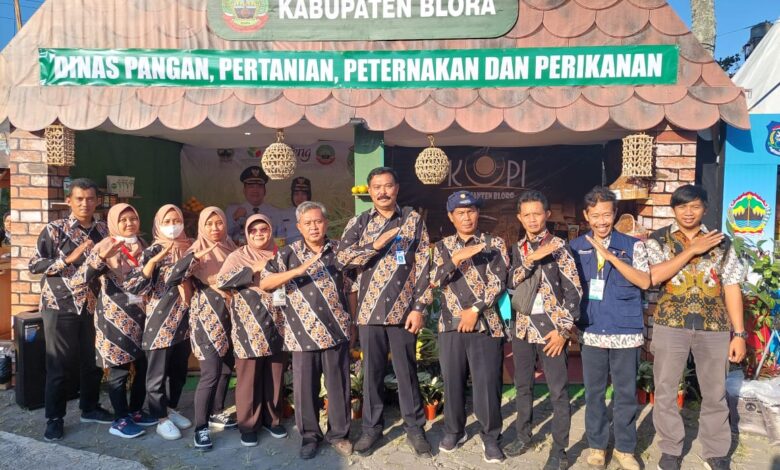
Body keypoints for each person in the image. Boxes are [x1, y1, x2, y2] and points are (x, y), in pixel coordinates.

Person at [645, 185, 747, 470]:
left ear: (705, 208)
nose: (688, 212)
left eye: (695, 206)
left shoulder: (722, 243)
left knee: (714, 392)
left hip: (714, 326)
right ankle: (670, 449)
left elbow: (732, 286)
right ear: (673, 209)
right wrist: (692, 250)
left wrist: (739, 334)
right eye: (682, 206)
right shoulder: (657, 240)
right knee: (665, 390)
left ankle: (715, 451)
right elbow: (654, 276)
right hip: (670, 323)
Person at [335, 167, 433, 457]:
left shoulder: (413, 220)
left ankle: (415, 428)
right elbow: (342, 259)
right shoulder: (359, 222)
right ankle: (371, 429)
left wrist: (419, 308)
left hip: (404, 312)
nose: (382, 192)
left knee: (407, 372)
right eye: (376, 187)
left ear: (397, 188)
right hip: (369, 312)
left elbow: (424, 265)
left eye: (388, 186)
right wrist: (375, 245)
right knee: (372, 374)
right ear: (369, 191)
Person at [261, 202, 354, 459]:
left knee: (339, 386)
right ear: (299, 227)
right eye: (308, 223)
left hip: (337, 331)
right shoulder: (287, 254)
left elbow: (352, 288)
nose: (314, 227)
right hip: (302, 333)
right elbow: (266, 283)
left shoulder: (339, 251)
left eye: (318, 221)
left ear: (326, 223)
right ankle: (310, 437)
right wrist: (297, 271)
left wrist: (353, 322)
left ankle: (339, 435)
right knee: (305, 390)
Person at [570, 187, 650, 470]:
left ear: (615, 213)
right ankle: (597, 446)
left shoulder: (633, 246)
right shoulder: (575, 247)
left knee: (625, 393)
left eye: (606, 214)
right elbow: (570, 289)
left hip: (625, 330)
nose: (601, 221)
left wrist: (612, 257)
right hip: (592, 328)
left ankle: (625, 449)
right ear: (586, 216)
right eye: (595, 215)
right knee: (593, 393)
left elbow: (644, 281)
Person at [29, 178, 113, 441]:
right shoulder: (55, 229)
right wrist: (68, 259)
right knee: (59, 364)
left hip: (92, 303)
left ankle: (90, 407)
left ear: (97, 201)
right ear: (69, 201)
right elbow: (34, 265)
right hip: (59, 303)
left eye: (90, 198)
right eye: (79, 199)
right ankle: (54, 418)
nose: (85, 203)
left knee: (92, 359)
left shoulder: (103, 230)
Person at [506, 190, 582, 470]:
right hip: (523, 328)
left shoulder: (560, 247)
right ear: (519, 217)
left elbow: (574, 291)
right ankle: (523, 436)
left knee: (558, 391)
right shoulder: (518, 248)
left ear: (547, 215)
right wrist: (531, 258)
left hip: (552, 332)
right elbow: (511, 282)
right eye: (526, 215)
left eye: (537, 213)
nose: (532, 219)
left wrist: (563, 331)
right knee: (522, 385)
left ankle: (559, 450)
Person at [431, 191, 509, 463]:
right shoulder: (441, 247)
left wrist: (475, 310)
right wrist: (456, 258)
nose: (466, 217)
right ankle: (454, 430)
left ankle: (491, 437)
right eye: (460, 213)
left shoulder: (494, 243)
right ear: (451, 217)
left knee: (487, 383)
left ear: (478, 213)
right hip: (450, 325)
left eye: (471, 211)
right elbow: (434, 280)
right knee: (452, 380)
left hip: (486, 324)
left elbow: (499, 282)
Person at [74, 203, 156, 438]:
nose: (130, 223)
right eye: (123, 220)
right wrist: (101, 257)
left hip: (142, 314)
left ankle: (136, 410)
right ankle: (120, 420)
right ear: (113, 222)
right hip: (115, 317)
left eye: (133, 218)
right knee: (119, 370)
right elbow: (81, 278)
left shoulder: (143, 244)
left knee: (143, 365)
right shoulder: (105, 245)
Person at [216, 214, 288, 447]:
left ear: (270, 231)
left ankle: (272, 420)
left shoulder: (280, 254)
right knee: (249, 378)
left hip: (278, 324)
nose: (259, 234)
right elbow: (222, 281)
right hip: (249, 327)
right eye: (253, 230)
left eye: (263, 229)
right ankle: (248, 425)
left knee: (274, 375)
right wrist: (254, 268)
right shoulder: (238, 256)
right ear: (246, 233)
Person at [169, 207, 238, 450]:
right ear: (202, 226)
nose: (215, 228)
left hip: (231, 317)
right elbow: (175, 277)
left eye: (219, 223)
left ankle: (216, 412)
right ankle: (201, 428)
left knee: (226, 368)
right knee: (210, 372)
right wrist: (194, 259)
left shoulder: (231, 247)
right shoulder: (195, 250)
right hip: (207, 318)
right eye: (209, 224)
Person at [124, 204, 194, 440]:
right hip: (160, 320)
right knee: (157, 374)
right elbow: (135, 287)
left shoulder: (191, 248)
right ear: (158, 225)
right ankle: (160, 417)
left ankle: (171, 408)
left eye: (176, 220)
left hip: (184, 320)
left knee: (179, 371)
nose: (173, 226)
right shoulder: (151, 251)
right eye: (167, 221)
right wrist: (153, 263)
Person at [226, 166, 280, 244]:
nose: (255, 190)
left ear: (265, 191)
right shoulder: (232, 211)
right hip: (239, 250)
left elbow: (281, 240)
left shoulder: (275, 212)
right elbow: (224, 238)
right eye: (251, 186)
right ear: (244, 190)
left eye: (259, 186)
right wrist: (234, 220)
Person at [277, 176, 311, 245]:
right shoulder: (283, 214)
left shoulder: (315, 213)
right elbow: (279, 238)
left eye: (303, 194)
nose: (300, 197)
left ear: (309, 196)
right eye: (296, 194)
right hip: (289, 249)